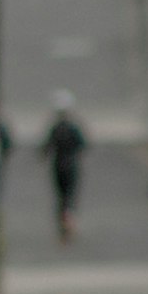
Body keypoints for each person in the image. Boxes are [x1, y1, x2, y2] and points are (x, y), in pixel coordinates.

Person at [44, 93, 88, 245]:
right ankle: (69, 217)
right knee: (70, 195)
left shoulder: (55, 129)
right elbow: (84, 145)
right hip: (72, 164)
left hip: (58, 165)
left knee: (61, 197)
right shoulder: (73, 128)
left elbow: (46, 148)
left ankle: (64, 220)